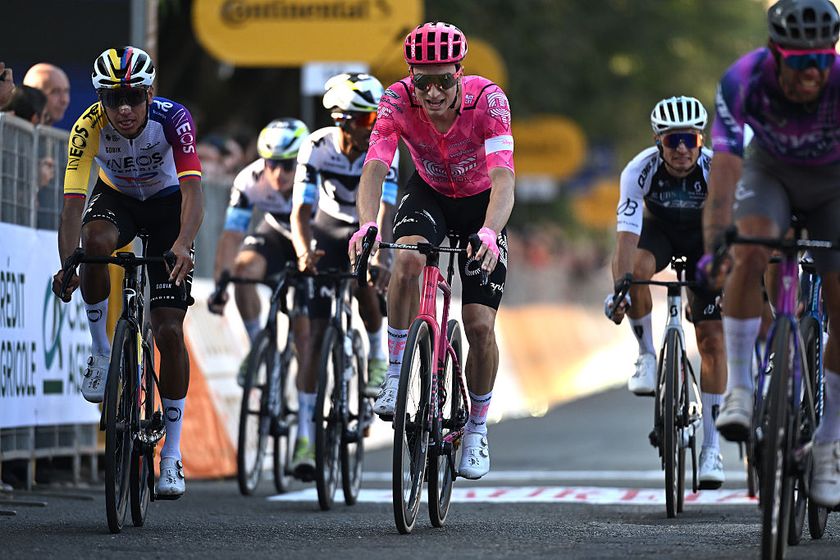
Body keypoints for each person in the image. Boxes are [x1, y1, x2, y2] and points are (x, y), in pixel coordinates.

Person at [349, 22, 516, 480]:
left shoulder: (489, 102)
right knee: (405, 258)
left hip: (482, 204)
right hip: (429, 193)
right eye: (424, 81)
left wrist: (488, 231)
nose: (434, 92)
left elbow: (504, 179)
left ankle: (478, 430)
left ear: (460, 72)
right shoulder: (396, 99)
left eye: (444, 79)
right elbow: (376, 165)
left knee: (481, 325)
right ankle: (397, 368)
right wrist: (366, 222)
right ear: (412, 79)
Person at [701, 0, 840, 507]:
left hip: (832, 182)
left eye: (822, 60)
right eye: (801, 61)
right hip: (771, 174)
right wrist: (718, 234)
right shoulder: (743, 78)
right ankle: (740, 387)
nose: (812, 72)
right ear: (776, 55)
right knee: (751, 245)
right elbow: (726, 163)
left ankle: (828, 443)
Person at [51, 46, 203, 498]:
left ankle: (171, 457)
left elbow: (194, 193)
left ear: (149, 94)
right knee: (94, 246)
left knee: (169, 330)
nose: (123, 109)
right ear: (100, 97)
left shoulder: (173, 119)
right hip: (116, 200)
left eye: (133, 97)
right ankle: (101, 352)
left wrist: (181, 245)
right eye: (112, 97)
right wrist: (68, 263)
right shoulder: (87, 126)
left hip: (167, 208)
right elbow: (72, 205)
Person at [606, 96, 726, 488]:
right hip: (658, 234)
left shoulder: (716, 169)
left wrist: (721, 282)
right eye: (672, 140)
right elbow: (626, 237)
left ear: (700, 140)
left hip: (703, 239)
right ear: (659, 141)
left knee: (711, 339)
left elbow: (728, 237)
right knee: (636, 270)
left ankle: (712, 449)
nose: (680, 150)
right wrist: (620, 288)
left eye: (688, 140)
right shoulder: (639, 170)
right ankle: (645, 356)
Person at [289, 72, 398, 477]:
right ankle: (305, 439)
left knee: (366, 279)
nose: (377, 127)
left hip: (367, 225)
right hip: (328, 226)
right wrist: (303, 251)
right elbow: (301, 210)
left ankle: (374, 355)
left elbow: (384, 211)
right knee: (314, 339)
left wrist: (379, 256)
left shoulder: (388, 147)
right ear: (343, 120)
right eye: (369, 121)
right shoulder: (315, 146)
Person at [209, 118, 312, 387]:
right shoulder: (250, 180)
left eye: (288, 165)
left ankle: (305, 422)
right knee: (243, 270)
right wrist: (221, 284)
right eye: (272, 163)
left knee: (304, 332)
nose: (278, 173)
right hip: (277, 232)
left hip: (315, 240)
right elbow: (231, 236)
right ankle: (258, 348)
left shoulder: (318, 175)